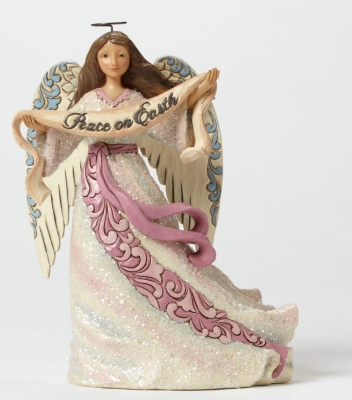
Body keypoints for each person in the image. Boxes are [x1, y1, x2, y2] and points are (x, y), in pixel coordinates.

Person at [19, 30, 298, 389]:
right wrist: (42, 129)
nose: (114, 62)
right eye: (106, 56)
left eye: (121, 55)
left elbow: (171, 125)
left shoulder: (137, 98)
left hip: (131, 176)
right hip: (93, 188)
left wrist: (195, 100)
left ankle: (182, 334)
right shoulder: (87, 101)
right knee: (94, 262)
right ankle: (101, 354)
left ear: (130, 59)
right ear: (96, 61)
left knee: (156, 254)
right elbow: (64, 137)